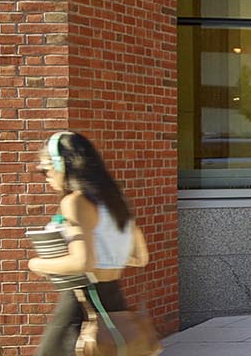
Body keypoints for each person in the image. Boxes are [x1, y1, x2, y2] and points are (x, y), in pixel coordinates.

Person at [27, 131, 152, 356]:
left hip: (81, 304)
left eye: (45, 169)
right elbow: (140, 257)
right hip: (116, 303)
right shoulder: (116, 201)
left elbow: (83, 261)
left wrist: (37, 264)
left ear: (62, 165)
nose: (45, 176)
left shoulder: (74, 202)